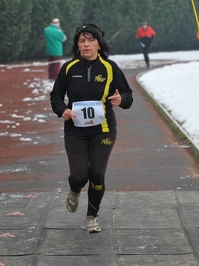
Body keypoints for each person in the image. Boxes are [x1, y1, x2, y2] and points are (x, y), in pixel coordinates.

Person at [50, 24, 133, 233]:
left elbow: (128, 96)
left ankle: (91, 217)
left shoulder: (110, 67)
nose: (86, 45)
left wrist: (120, 98)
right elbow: (56, 96)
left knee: (97, 173)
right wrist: (63, 111)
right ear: (77, 45)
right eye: (81, 41)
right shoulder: (68, 68)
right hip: (75, 130)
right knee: (79, 175)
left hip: (103, 128)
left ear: (99, 44)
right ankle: (74, 190)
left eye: (90, 40)